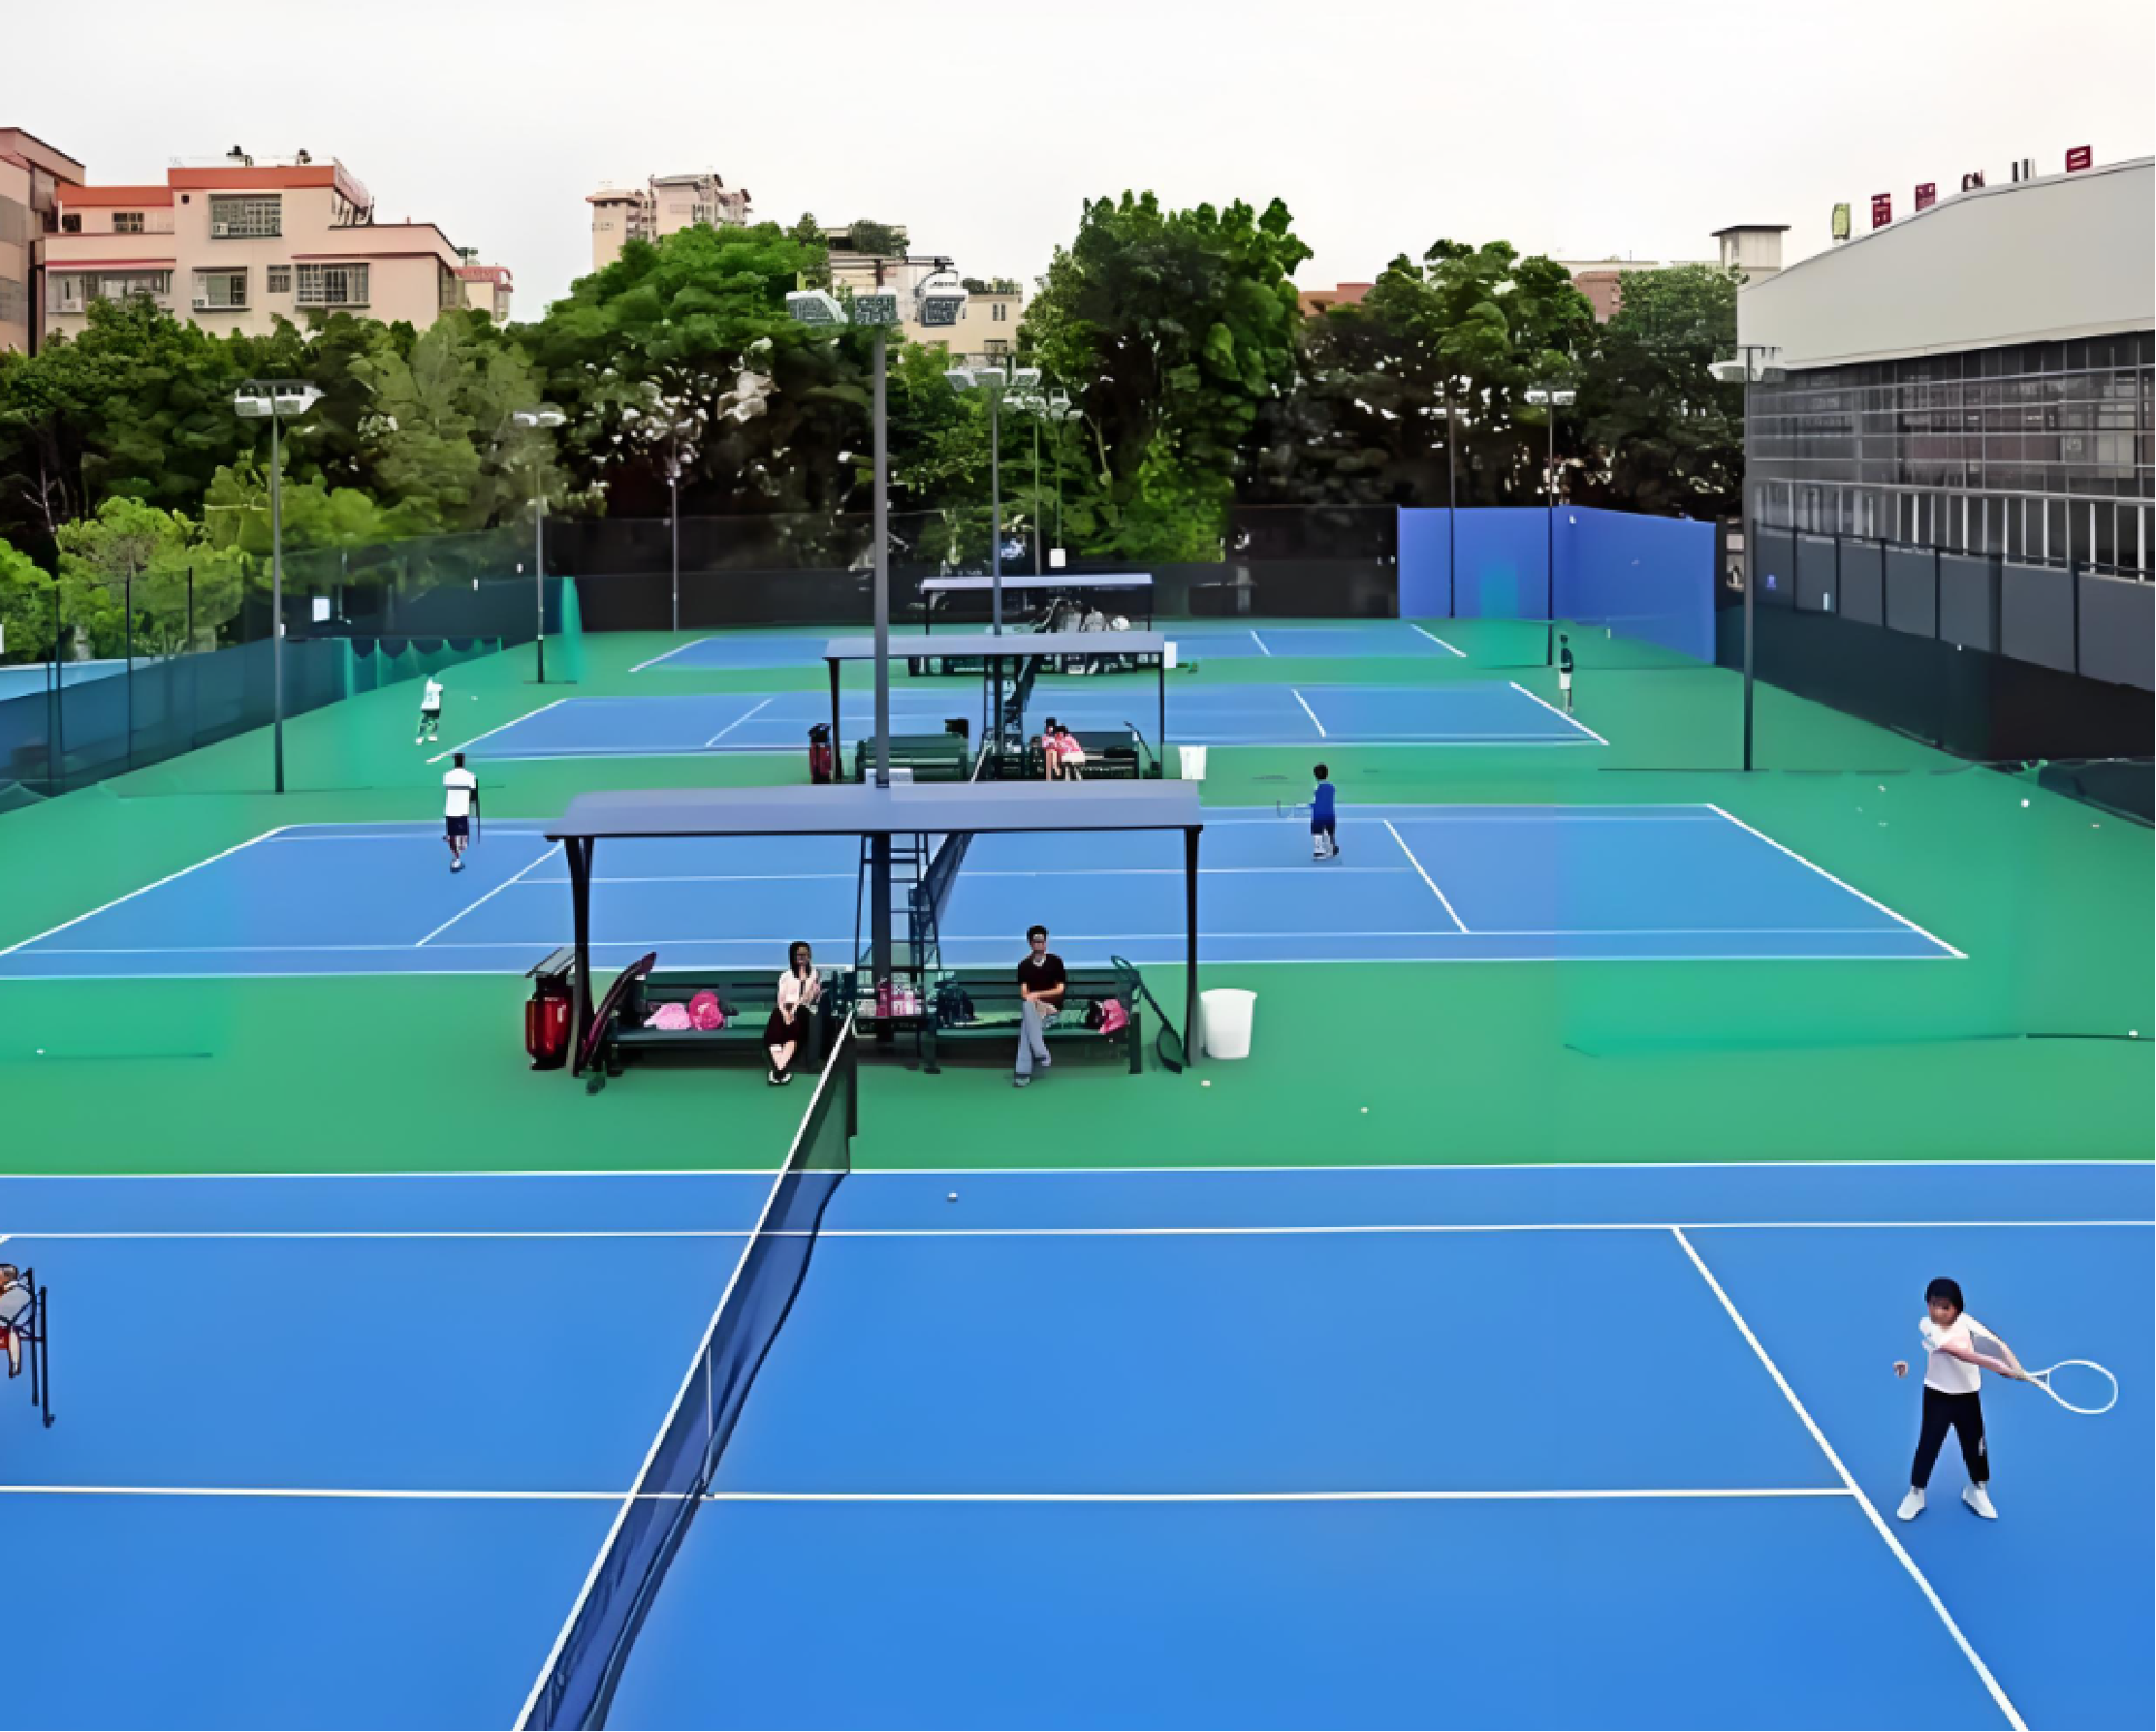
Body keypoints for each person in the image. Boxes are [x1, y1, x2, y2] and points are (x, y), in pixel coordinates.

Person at [1892, 1276, 2027, 1522]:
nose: (1936, 1312)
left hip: (1967, 1397)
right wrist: (2001, 1369)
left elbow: (1995, 1343)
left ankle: (1977, 1491)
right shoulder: (1929, 1328)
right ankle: (1916, 1493)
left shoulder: (1966, 1322)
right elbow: (1965, 1355)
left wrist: (2016, 1366)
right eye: (1932, 1305)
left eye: (1944, 1307)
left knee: (1975, 1446)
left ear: (1957, 1308)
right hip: (1937, 1395)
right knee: (1928, 1445)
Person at [763, 940, 821, 1086]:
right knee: (776, 1016)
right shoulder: (785, 976)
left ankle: (778, 1070)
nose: (802, 957)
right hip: (785, 1011)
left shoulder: (814, 975)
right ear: (793, 957)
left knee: (798, 1017)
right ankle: (781, 1069)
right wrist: (785, 1013)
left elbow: (811, 1000)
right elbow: (780, 1000)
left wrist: (805, 982)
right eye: (799, 954)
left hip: (803, 1011)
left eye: (805, 954)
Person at [1014, 924, 1064, 1087]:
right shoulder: (1023, 966)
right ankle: (1041, 1052)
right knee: (1028, 1008)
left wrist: (1039, 996)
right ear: (1030, 943)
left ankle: (1022, 1073)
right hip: (1034, 1009)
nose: (1039, 944)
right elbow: (1024, 993)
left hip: (1051, 1012)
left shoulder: (1056, 962)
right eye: (1036, 941)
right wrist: (1035, 1001)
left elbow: (1060, 989)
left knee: (1026, 1027)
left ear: (1046, 942)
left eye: (1042, 941)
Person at [442, 750, 479, 873]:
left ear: (454, 762)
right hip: (463, 810)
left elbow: (446, 786)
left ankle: (454, 852)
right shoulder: (470, 776)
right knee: (463, 838)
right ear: (463, 762)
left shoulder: (447, 775)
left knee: (452, 835)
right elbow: (473, 794)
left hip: (450, 810)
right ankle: (457, 858)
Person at [0, 1264, 31, 1378]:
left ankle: (14, 1366)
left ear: (7, 1276)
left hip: (10, 1325)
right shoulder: (7, 1291)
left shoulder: (19, 1292)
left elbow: (6, 1312)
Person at [1311, 763, 1339, 861]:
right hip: (1330, 815)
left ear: (1315, 775)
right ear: (1327, 774)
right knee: (1329, 832)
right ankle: (1331, 847)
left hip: (1318, 816)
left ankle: (1318, 851)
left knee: (1317, 832)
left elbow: (1315, 802)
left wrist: (1309, 805)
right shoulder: (1332, 787)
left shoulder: (1316, 788)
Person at [417, 674, 445, 744]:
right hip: (435, 706)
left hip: (426, 706)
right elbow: (441, 694)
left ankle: (420, 737)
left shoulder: (427, 684)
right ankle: (432, 735)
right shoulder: (439, 686)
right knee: (434, 721)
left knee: (425, 721)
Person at [1557, 633, 1576, 714]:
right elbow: (1570, 663)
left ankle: (1567, 707)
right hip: (1567, 671)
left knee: (1566, 689)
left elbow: (1568, 663)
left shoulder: (1565, 652)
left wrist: (1560, 665)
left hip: (1565, 671)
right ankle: (1568, 706)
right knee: (1567, 689)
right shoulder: (1566, 651)